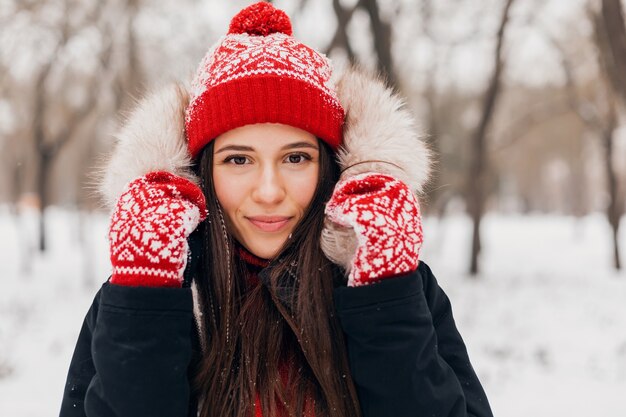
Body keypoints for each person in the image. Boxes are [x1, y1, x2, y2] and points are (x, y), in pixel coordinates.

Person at [59, 2, 493, 417]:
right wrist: (146, 300)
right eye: (239, 160)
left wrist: (383, 296)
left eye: (295, 158)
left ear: (330, 166)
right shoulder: (150, 288)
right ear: (202, 170)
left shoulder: (397, 283)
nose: (269, 191)